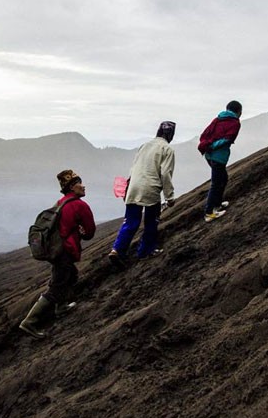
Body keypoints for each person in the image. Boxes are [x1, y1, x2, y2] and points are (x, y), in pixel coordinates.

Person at [19, 169, 96, 339]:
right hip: (65, 251)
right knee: (57, 285)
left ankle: (62, 306)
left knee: (70, 275)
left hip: (55, 250)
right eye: (79, 183)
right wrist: (81, 233)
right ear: (71, 187)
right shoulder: (80, 205)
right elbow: (90, 232)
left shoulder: (60, 202)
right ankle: (30, 322)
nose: (83, 186)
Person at [109, 121, 176, 268]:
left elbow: (134, 168)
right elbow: (165, 174)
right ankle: (145, 251)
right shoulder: (167, 149)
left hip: (134, 186)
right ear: (171, 134)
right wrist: (169, 197)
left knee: (130, 221)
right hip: (150, 188)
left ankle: (117, 249)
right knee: (151, 221)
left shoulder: (144, 145)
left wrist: (128, 188)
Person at [199, 100, 242, 222]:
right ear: (239, 112)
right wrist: (213, 146)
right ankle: (209, 212)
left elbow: (205, 134)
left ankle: (217, 204)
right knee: (216, 183)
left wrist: (209, 146)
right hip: (218, 156)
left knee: (223, 178)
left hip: (208, 155)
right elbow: (228, 139)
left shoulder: (217, 119)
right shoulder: (234, 123)